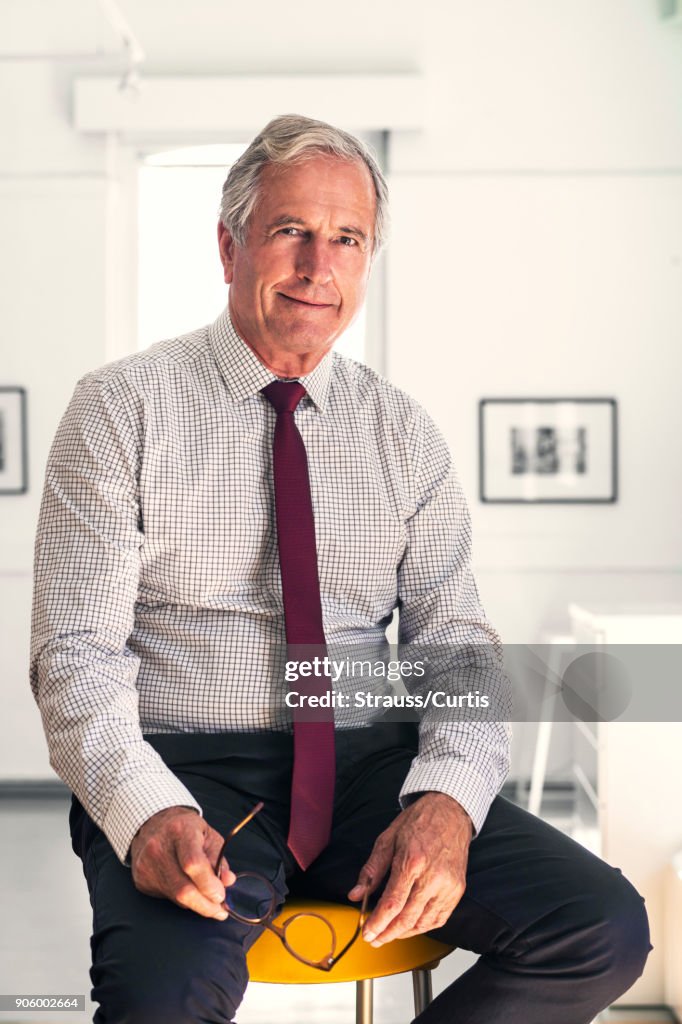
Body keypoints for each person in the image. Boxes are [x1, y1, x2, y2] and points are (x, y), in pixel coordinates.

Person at [30, 114, 650, 1024]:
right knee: (162, 1003)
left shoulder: (404, 435)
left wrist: (447, 798)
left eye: (347, 238)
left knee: (599, 927)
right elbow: (74, 656)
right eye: (292, 231)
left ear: (367, 260)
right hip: (191, 774)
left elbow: (460, 651)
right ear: (228, 244)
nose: (319, 264)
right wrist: (143, 810)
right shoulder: (120, 412)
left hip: (368, 772)